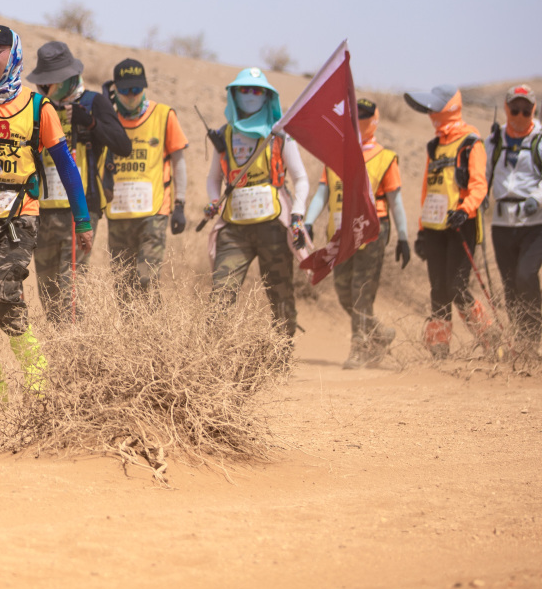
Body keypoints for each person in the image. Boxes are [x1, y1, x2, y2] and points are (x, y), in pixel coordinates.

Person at [0, 24, 93, 410]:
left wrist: (83, 220)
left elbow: (67, 166)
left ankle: (39, 381)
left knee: (1, 293)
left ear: (15, 56)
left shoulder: (40, 108)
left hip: (18, 216)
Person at [23, 41, 129, 316]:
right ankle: (60, 352)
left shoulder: (94, 102)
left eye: (53, 81)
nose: (48, 87)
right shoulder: (36, 107)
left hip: (80, 211)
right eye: (44, 82)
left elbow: (123, 145)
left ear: (69, 76)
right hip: (41, 213)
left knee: (72, 291)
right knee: (48, 292)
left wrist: (91, 123)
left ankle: (78, 353)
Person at [204, 68, 308, 340]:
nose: (250, 96)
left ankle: (281, 354)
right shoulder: (224, 135)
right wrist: (214, 201)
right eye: (244, 90)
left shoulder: (280, 134)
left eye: (257, 90)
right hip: (234, 228)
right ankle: (214, 359)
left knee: (280, 292)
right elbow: (213, 178)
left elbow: (301, 178)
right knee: (221, 294)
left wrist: (298, 214)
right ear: (234, 95)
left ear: (267, 97)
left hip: (273, 225)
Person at [304, 98, 408, 368]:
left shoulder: (385, 158)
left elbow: (396, 201)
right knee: (342, 291)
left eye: (364, 115)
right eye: (355, 115)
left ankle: (360, 349)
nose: (359, 120)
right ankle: (378, 332)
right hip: (340, 234)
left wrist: (404, 237)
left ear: (374, 119)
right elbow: (322, 193)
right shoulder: (335, 155)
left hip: (371, 231)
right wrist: (308, 221)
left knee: (361, 291)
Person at [403, 85, 492, 358]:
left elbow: (480, 185)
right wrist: (420, 230)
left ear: (448, 108)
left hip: (461, 225)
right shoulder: (435, 145)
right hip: (434, 228)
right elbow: (427, 190)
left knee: (456, 287)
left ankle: (490, 337)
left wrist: (465, 210)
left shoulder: (471, 143)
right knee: (438, 289)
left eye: (434, 108)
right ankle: (439, 349)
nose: (430, 113)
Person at [485, 84, 542, 355]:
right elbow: (484, 174)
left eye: (525, 110)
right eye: (514, 109)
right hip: (502, 222)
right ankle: (518, 338)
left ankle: (531, 339)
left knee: (525, 276)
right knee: (509, 282)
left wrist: (537, 199)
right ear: (506, 109)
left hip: (536, 221)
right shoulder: (494, 141)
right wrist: (480, 195)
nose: (519, 115)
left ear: (533, 110)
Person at [103, 58, 187, 295]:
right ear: (115, 90)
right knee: (122, 284)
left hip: (154, 214)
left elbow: (179, 162)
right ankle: (134, 332)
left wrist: (180, 204)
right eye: (125, 90)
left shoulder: (164, 115)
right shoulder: (108, 119)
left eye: (136, 90)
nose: (131, 96)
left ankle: (152, 330)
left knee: (146, 279)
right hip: (118, 213)